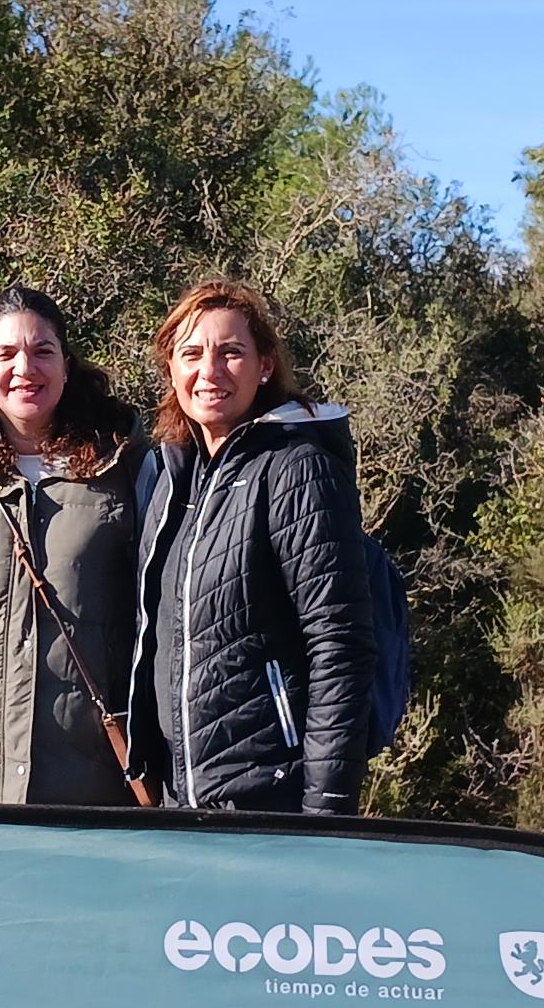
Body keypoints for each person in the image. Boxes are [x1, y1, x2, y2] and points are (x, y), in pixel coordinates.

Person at [125, 280, 376, 814]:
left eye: (230, 352)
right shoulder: (174, 481)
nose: (209, 371)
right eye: (191, 353)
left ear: (265, 365)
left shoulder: (297, 470)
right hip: (182, 808)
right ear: (171, 368)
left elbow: (341, 647)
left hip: (272, 809)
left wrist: (325, 812)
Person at [0, 286, 150, 806]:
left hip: (94, 795)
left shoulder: (125, 469)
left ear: (66, 366)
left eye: (42, 351)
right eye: (5, 354)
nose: (24, 367)